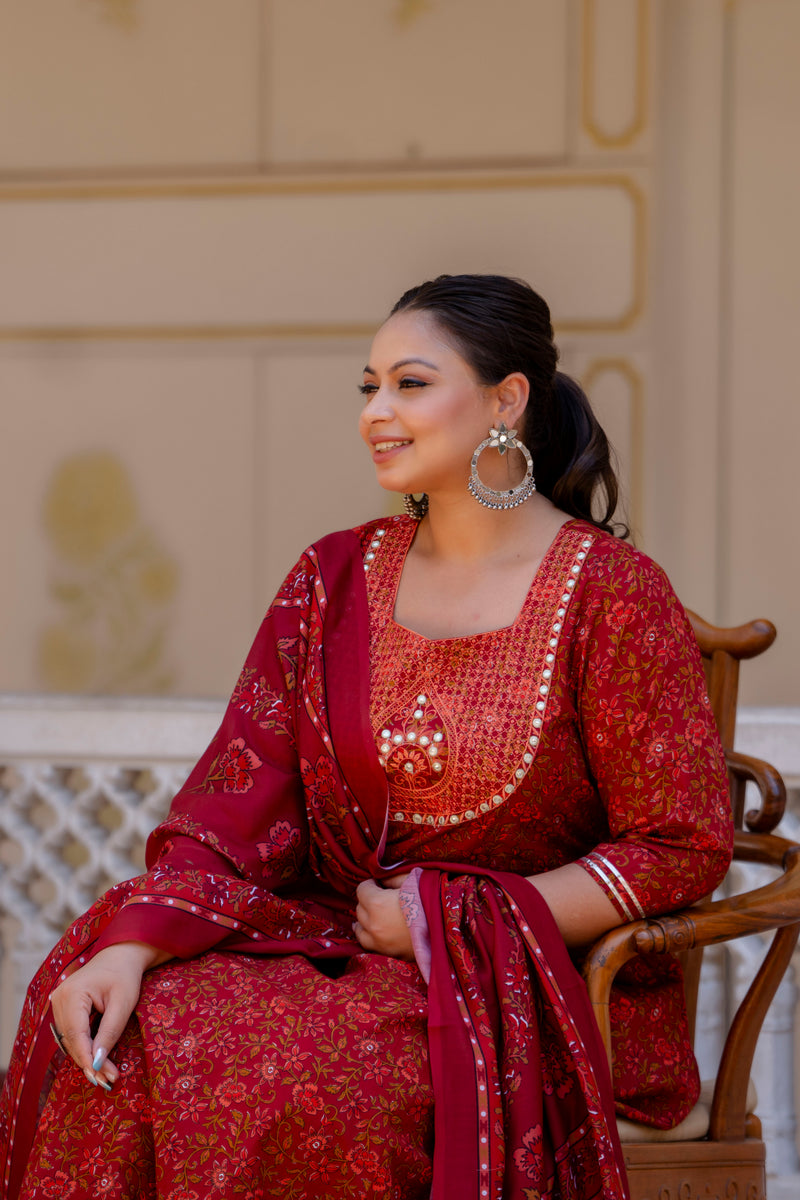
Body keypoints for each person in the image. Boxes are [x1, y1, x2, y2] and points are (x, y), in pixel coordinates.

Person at [0, 275, 733, 1200]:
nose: (375, 413)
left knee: (296, 1080)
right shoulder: (333, 577)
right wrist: (131, 947)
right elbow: (234, 806)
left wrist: (440, 921)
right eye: (367, 386)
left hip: (539, 988)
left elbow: (681, 844)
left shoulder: (611, 594)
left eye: (410, 384)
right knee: (124, 1017)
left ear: (508, 399)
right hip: (334, 950)